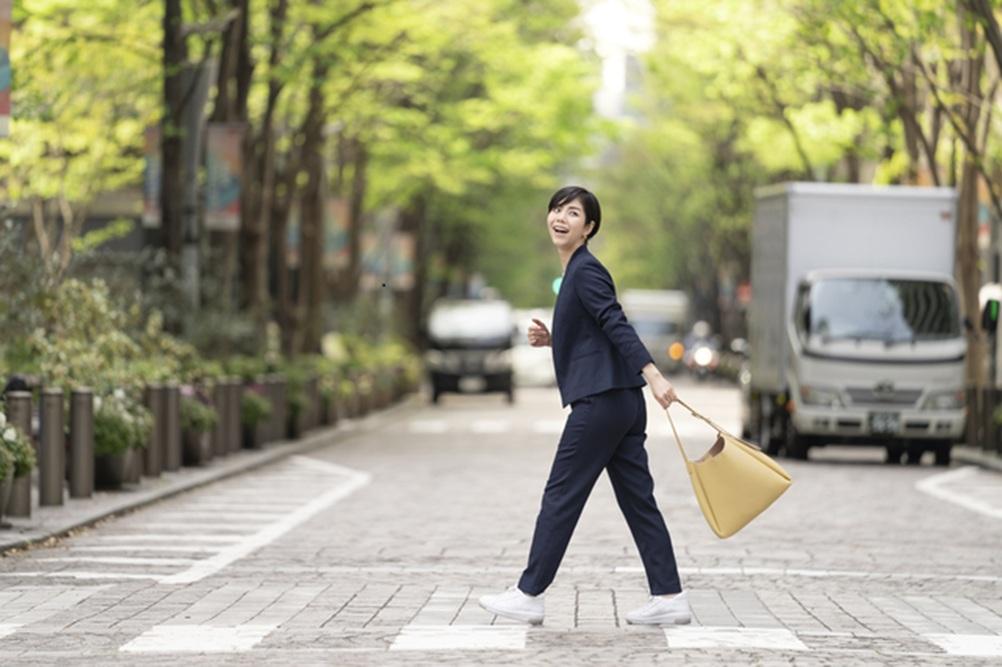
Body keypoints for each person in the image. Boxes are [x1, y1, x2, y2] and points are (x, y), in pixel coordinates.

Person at [478, 186, 690, 626]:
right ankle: (669, 596)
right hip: (622, 404)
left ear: (588, 228)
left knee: (562, 494)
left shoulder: (585, 270)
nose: (560, 217)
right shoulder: (577, 270)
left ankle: (529, 593)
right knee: (638, 501)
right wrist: (555, 339)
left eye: (572, 213)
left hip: (602, 404)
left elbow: (615, 322)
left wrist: (653, 374)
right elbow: (596, 331)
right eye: (557, 209)